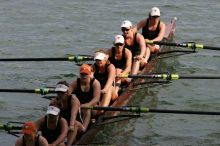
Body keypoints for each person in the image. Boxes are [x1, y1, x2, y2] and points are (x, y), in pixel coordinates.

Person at [50, 81, 84, 146]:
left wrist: (70, 126)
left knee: (74, 124)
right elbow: (50, 117)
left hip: (77, 125)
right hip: (64, 125)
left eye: (62, 92)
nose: (59, 95)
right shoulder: (54, 101)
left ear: (67, 92)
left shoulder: (73, 100)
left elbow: (73, 115)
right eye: (58, 92)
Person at [68, 64, 101, 131]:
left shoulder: (95, 83)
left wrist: (88, 104)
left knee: (86, 109)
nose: (84, 76)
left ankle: (84, 129)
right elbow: (67, 94)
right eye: (82, 74)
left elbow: (96, 99)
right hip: (79, 107)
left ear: (90, 74)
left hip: (93, 107)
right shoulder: (75, 83)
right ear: (80, 74)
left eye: (86, 74)